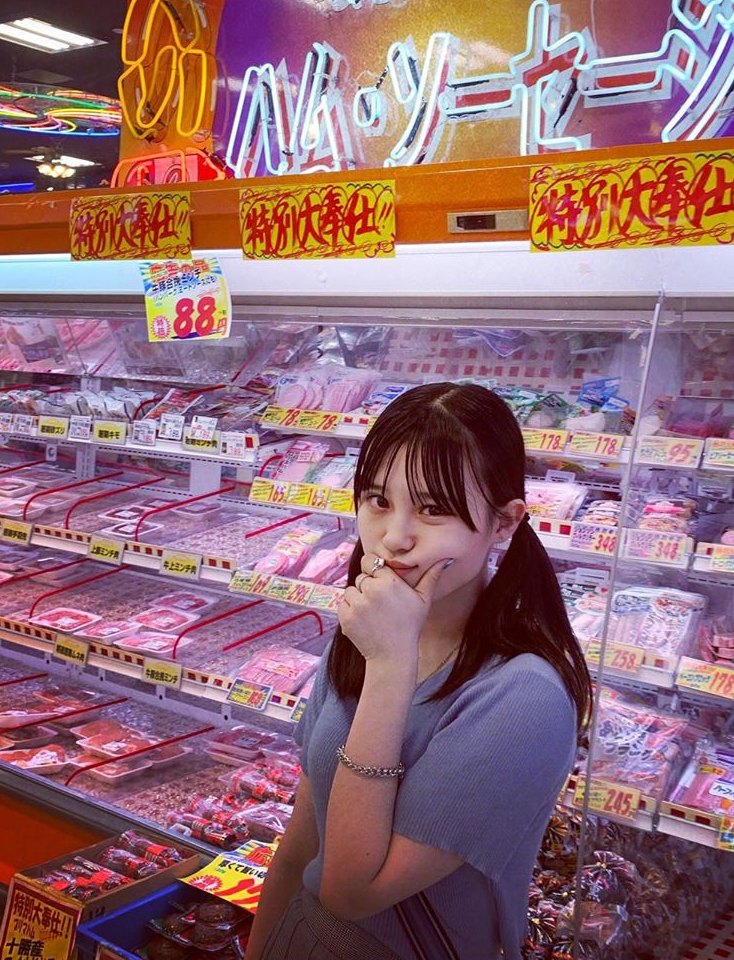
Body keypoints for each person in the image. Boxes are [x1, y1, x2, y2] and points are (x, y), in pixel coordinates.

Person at [247, 382, 591, 960]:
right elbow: (301, 845)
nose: (395, 537)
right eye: (378, 500)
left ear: (505, 523)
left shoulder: (524, 697)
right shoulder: (363, 637)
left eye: (433, 509)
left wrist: (389, 664)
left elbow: (352, 892)